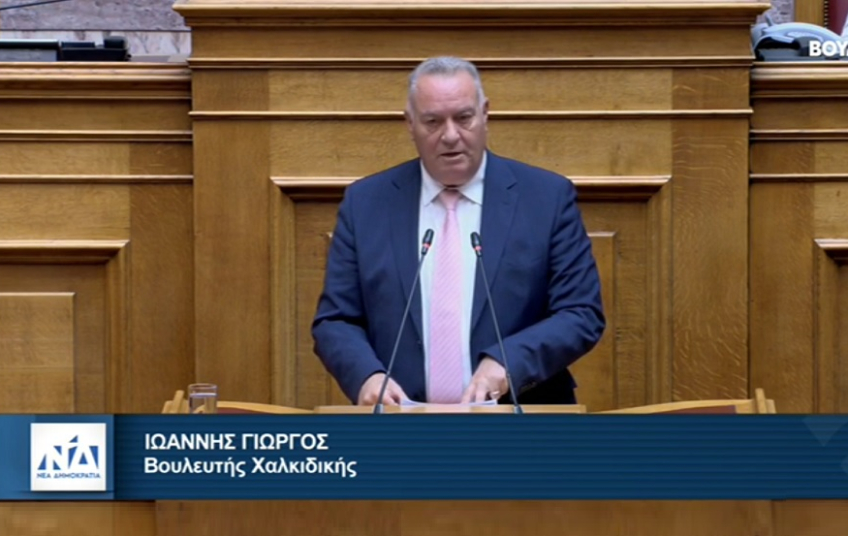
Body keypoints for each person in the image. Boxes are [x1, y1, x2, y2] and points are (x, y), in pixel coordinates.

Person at [312, 56, 605, 406]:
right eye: (433, 122)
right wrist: (367, 376)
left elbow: (581, 313)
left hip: (520, 420)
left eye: (463, 118)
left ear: (485, 114)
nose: (450, 136)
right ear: (410, 124)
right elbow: (335, 321)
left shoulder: (546, 198)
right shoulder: (366, 203)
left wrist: (507, 363)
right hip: (400, 422)